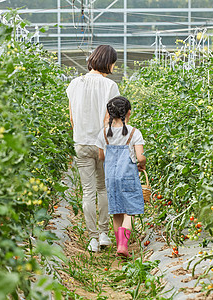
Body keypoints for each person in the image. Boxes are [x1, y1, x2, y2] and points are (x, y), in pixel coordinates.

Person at [66, 45, 120, 252]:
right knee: (103, 189)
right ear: (108, 62)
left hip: (81, 142)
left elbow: (72, 117)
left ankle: (92, 239)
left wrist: (81, 134)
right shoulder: (110, 86)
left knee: (87, 192)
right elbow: (110, 118)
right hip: (103, 143)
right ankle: (105, 234)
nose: (114, 66)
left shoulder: (74, 84)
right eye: (113, 62)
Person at [96, 96, 146, 257]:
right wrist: (142, 164)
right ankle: (123, 246)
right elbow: (140, 157)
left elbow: (101, 157)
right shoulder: (134, 133)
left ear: (109, 114)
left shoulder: (103, 133)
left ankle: (120, 244)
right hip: (128, 176)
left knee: (117, 211)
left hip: (111, 177)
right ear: (129, 112)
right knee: (129, 212)